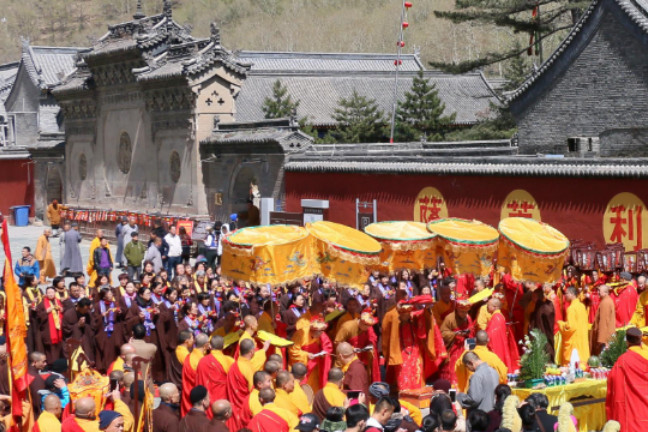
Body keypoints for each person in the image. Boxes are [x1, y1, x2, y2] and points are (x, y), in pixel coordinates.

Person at [606, 326, 648, 432]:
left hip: (632, 414)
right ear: (640, 341)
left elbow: (613, 381)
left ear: (627, 342)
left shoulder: (623, 361)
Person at [227, 338, 271, 431]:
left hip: (233, 404)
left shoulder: (234, 365)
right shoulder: (248, 369)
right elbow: (253, 391)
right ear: (252, 352)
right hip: (243, 406)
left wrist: (264, 349)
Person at [289, 317, 333, 394]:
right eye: (318, 332)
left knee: (315, 387)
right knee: (303, 387)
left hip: (315, 365)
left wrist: (323, 353)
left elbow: (327, 346)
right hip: (303, 365)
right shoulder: (300, 334)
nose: (320, 334)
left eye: (322, 331)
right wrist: (306, 354)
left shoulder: (321, 334)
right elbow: (293, 350)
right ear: (312, 330)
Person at [196, 335, 234, 414]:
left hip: (206, 399)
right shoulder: (229, 361)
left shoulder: (202, 361)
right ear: (223, 346)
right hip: (223, 397)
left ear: (210, 346)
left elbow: (199, 381)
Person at [558, 287, 590, 366]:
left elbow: (570, 327)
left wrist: (561, 324)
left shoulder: (571, 308)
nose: (565, 296)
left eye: (567, 294)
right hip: (582, 339)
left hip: (574, 341)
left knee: (574, 365)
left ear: (572, 294)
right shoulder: (582, 306)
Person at [485, 298, 518, 372]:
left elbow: (491, 334)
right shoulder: (498, 316)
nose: (487, 306)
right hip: (500, 343)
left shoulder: (496, 317)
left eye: (488, 305)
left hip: (497, 345)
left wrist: (483, 337)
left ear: (495, 307)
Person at [181, 333, 209, 416]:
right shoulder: (202, 361)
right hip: (198, 397)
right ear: (206, 345)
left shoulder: (188, 357)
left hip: (187, 393)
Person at [62, 298, 96, 365]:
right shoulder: (68, 314)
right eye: (85, 309)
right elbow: (66, 329)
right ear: (79, 307)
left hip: (85, 339)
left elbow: (92, 326)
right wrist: (77, 325)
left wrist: (85, 326)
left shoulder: (88, 313)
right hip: (73, 340)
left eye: (87, 309)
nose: (86, 311)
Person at [37, 286, 65, 363]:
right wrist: (46, 312)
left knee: (59, 347)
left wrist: (62, 310)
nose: (51, 294)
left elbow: (63, 311)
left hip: (59, 329)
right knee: (51, 348)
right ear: (46, 294)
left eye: (52, 292)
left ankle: (59, 363)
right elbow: (38, 316)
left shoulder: (58, 302)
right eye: (49, 293)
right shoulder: (42, 304)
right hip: (48, 330)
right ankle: (52, 364)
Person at [529, 285, 556, 359]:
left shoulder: (546, 305)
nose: (532, 298)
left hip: (545, 331)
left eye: (534, 296)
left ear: (538, 297)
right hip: (539, 331)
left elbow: (549, 314)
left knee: (546, 346)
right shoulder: (538, 305)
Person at [591, 285, 616, 355]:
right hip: (607, 338)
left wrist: (601, 339)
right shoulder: (606, 300)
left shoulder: (605, 303)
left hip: (605, 340)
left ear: (605, 292)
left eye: (599, 291)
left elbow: (604, 322)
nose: (597, 292)